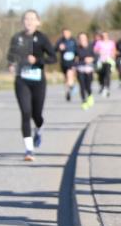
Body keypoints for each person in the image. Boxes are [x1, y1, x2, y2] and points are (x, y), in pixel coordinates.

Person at [7, 10, 56, 162]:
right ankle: (29, 150)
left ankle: (39, 129)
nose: (29, 21)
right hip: (22, 80)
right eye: (26, 18)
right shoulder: (17, 38)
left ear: (38, 22)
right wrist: (10, 64)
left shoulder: (42, 38)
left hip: (38, 81)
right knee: (25, 113)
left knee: (37, 115)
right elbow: (11, 55)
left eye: (32, 19)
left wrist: (38, 61)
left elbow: (53, 58)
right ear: (23, 22)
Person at [55, 28, 78, 101]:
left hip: (72, 62)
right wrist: (59, 48)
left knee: (70, 74)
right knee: (66, 78)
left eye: (67, 33)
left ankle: (72, 86)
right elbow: (54, 49)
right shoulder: (60, 41)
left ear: (70, 33)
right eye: (64, 33)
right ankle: (68, 91)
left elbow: (77, 50)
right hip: (64, 62)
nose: (65, 34)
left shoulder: (73, 41)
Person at [74, 32, 96, 110]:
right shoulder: (76, 48)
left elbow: (95, 57)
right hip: (80, 69)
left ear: (86, 38)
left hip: (89, 69)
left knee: (88, 86)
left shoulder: (91, 47)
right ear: (79, 40)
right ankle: (84, 101)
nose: (82, 39)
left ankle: (90, 96)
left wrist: (91, 59)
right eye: (80, 38)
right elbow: (74, 60)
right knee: (82, 86)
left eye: (83, 38)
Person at [94, 32, 115, 98]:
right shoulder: (99, 42)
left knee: (107, 74)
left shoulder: (111, 42)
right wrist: (99, 52)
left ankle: (107, 87)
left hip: (108, 60)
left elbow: (114, 50)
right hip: (100, 61)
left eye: (105, 35)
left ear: (107, 36)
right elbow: (95, 50)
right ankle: (102, 85)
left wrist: (113, 55)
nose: (104, 37)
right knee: (101, 74)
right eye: (103, 35)